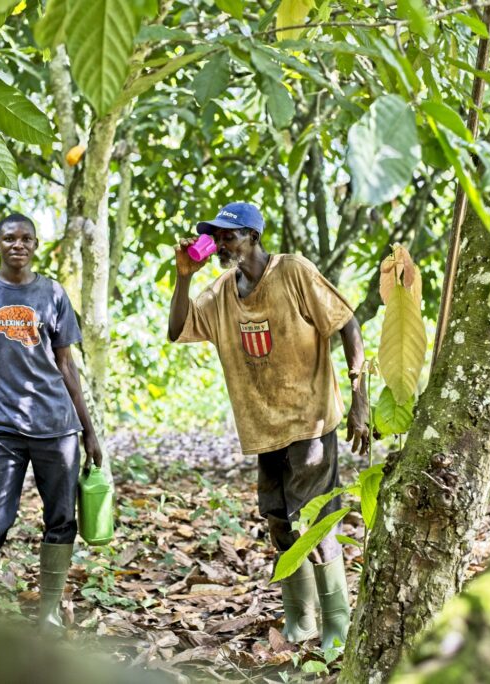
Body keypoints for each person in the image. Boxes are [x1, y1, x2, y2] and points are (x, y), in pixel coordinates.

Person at [167, 202, 369, 649]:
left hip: (310, 421)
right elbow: (177, 328)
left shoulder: (293, 271)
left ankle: (337, 625)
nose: (220, 244)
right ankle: (301, 619)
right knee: (278, 522)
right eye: (216, 237)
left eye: (229, 236)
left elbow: (346, 322)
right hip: (263, 428)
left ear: (253, 237)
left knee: (313, 524)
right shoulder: (221, 291)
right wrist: (183, 276)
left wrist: (359, 397)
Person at [0, 213, 103, 631]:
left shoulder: (52, 293)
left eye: (26, 238)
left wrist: (88, 430)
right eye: (9, 238)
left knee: (61, 519)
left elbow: (66, 365)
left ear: (35, 245)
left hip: (57, 426)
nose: (18, 244)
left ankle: (48, 611)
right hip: (1, 429)